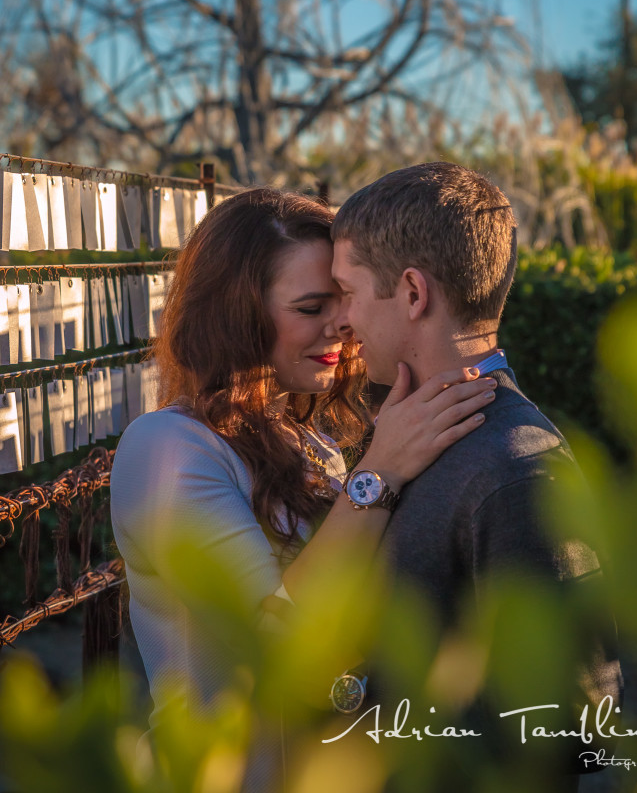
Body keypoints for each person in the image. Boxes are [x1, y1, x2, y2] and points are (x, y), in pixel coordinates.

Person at [110, 188, 495, 740]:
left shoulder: (308, 441)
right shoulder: (168, 447)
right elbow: (278, 649)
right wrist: (378, 473)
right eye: (311, 307)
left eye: (343, 299)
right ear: (232, 314)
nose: (341, 325)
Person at [330, 162, 623, 789]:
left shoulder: (515, 469)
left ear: (413, 293)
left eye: (348, 292)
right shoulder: (408, 438)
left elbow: (571, 732)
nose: (341, 319)